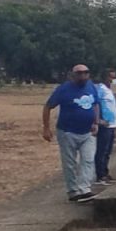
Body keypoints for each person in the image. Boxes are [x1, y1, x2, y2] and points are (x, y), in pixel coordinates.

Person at [42, 64, 101, 203]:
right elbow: (48, 106)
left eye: (86, 72)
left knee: (88, 160)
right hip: (67, 131)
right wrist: (46, 128)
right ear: (73, 75)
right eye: (79, 73)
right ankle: (73, 190)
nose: (83, 75)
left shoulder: (91, 87)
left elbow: (96, 104)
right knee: (70, 163)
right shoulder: (63, 89)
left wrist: (96, 122)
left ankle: (85, 189)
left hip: (88, 131)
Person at [94, 69, 116, 185]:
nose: (112, 80)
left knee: (108, 151)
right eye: (110, 77)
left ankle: (105, 172)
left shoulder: (109, 90)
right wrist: (99, 120)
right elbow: (96, 104)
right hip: (105, 124)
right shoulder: (100, 89)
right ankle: (100, 175)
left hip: (112, 124)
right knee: (102, 150)